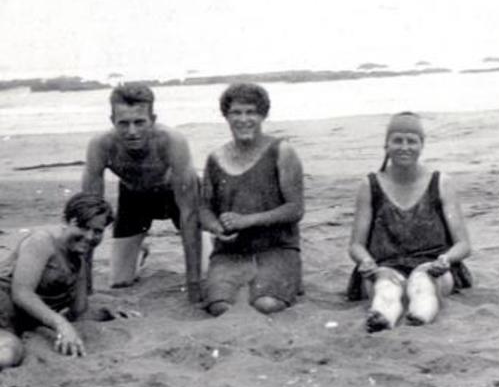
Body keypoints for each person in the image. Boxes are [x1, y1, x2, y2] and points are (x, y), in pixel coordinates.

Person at [348, 112, 472, 332]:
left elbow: (463, 245)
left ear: (421, 145)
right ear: (386, 145)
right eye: (397, 140)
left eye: (411, 141)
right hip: (385, 266)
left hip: (432, 266)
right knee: (387, 288)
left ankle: (419, 318)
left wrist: (445, 259)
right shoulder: (370, 185)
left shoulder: (441, 183)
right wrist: (367, 262)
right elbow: (356, 245)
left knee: (422, 282)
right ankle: (382, 319)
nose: (404, 147)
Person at [82, 83, 202, 299]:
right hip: (134, 198)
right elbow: (88, 215)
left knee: (205, 271)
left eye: (139, 122)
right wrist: (85, 289)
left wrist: (194, 283)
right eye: (123, 124)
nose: (132, 132)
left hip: (173, 195)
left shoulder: (172, 141)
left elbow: (190, 213)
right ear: (112, 121)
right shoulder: (101, 145)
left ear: (153, 120)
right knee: (119, 281)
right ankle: (140, 250)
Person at [199, 83, 304, 316]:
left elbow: (295, 209)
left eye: (251, 112)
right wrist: (217, 228)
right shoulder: (215, 158)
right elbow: (204, 208)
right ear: (226, 116)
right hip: (230, 251)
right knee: (220, 307)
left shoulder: (282, 151)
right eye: (236, 112)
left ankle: (285, 279)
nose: (244, 119)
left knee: (267, 304)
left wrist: (247, 221)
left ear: (263, 115)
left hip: (277, 247)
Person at [0, 193, 114, 367]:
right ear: (66, 221)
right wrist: (61, 325)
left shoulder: (79, 263)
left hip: (10, 327)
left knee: (10, 353)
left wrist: (109, 313)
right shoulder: (42, 242)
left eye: (98, 231)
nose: (90, 236)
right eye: (83, 226)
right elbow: (21, 293)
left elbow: (79, 312)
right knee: (8, 353)